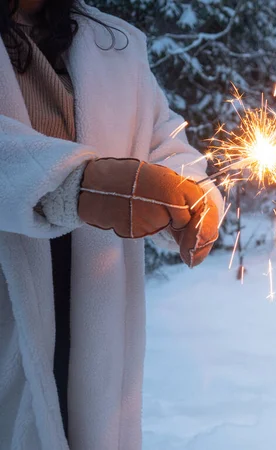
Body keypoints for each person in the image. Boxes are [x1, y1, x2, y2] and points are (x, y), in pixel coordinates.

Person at [0, 1, 224, 449]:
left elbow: (164, 138)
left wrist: (193, 192)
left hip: (92, 311)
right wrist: (75, 184)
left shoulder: (114, 42)